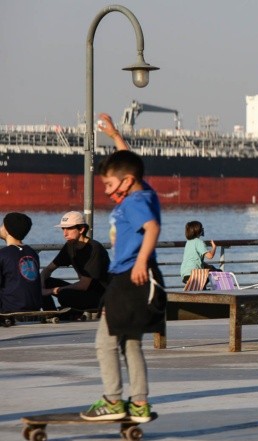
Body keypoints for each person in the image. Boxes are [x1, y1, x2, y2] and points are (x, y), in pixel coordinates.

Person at [80, 113, 165, 423]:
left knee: (104, 342)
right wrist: (116, 137)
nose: (106, 190)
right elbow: (128, 165)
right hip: (139, 277)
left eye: (110, 184)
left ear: (127, 182)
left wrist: (141, 261)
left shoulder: (133, 202)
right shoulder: (144, 191)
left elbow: (152, 228)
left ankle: (113, 399)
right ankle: (139, 403)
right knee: (130, 343)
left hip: (131, 277)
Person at [40, 211, 110, 316]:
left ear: (81, 229)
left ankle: (69, 313)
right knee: (43, 281)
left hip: (101, 296)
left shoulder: (95, 249)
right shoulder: (69, 246)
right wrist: (41, 285)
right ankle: (50, 314)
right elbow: (48, 270)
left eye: (69, 228)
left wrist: (53, 290)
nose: (65, 233)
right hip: (84, 292)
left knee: (64, 295)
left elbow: (84, 285)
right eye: (63, 229)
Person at [1, 213, 42, 314]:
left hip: (9, 309)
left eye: (2, 224)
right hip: (34, 307)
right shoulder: (32, 252)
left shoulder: (3, 254)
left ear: (7, 230)